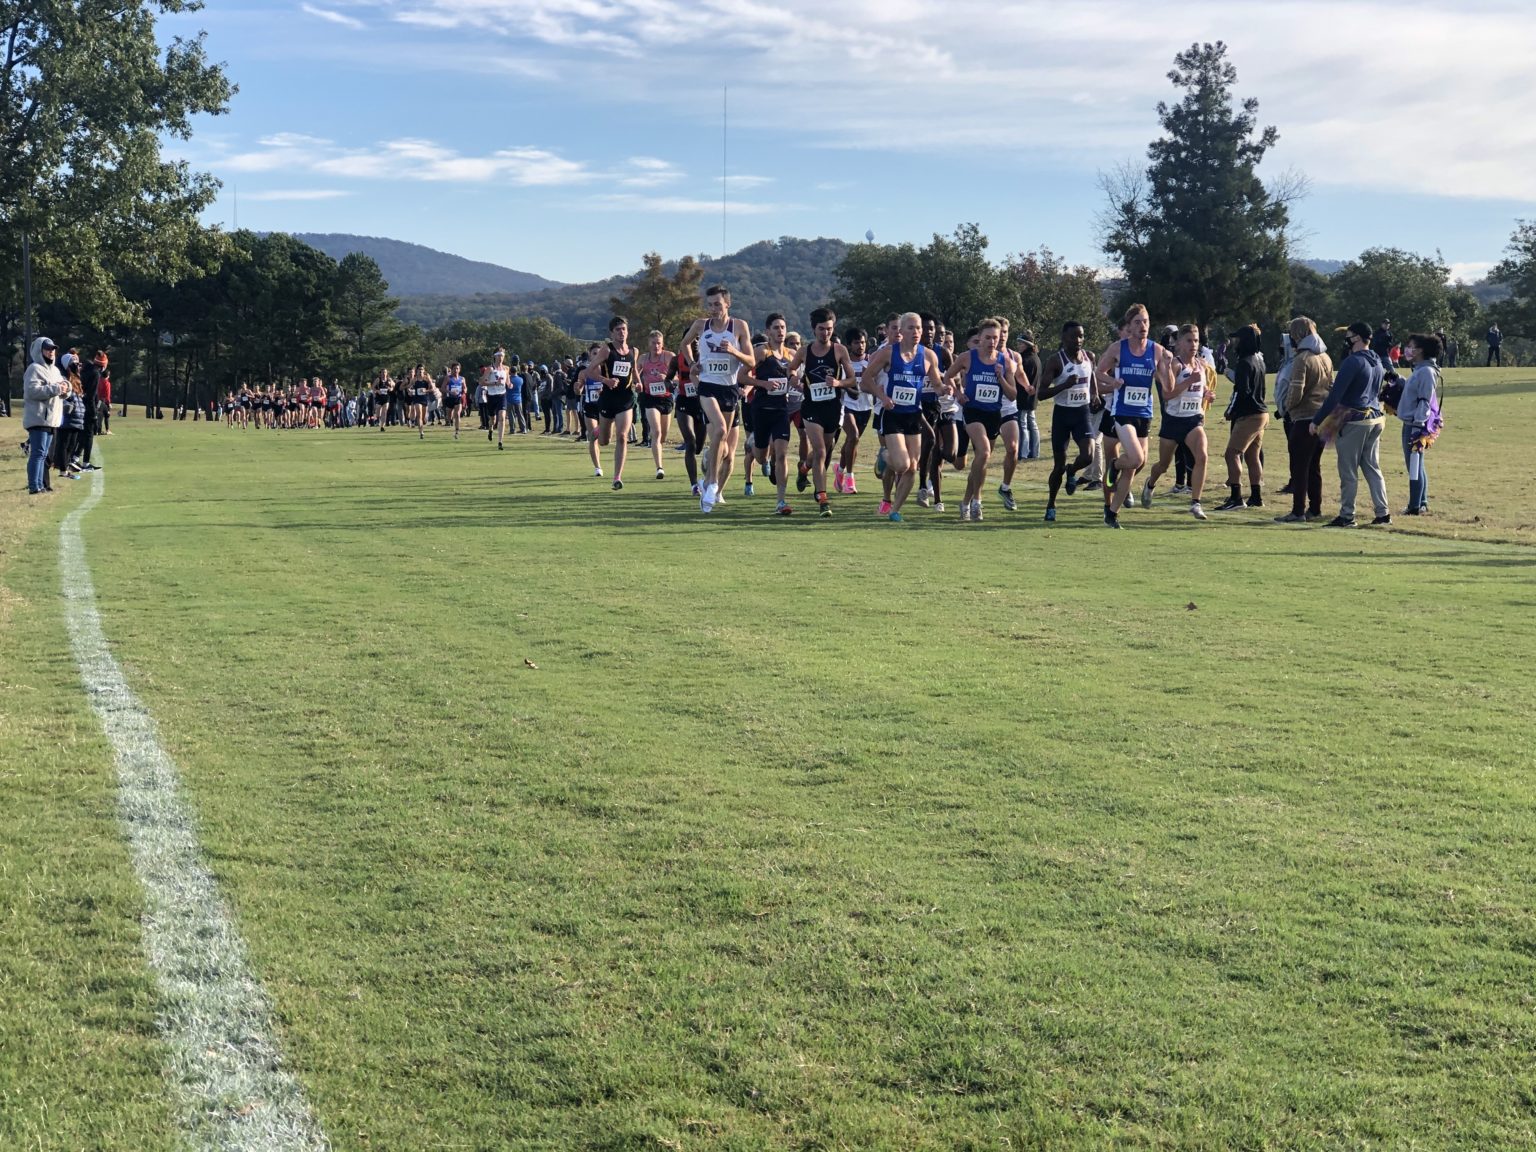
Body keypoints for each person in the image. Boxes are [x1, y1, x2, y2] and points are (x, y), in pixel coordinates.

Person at [859, 312, 947, 521]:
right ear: (901, 330)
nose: (916, 332)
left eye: (919, 328)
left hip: (913, 415)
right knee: (901, 465)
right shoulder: (888, 353)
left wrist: (947, 388)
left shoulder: (928, 356)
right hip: (892, 414)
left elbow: (936, 384)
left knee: (913, 467)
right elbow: (865, 380)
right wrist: (882, 395)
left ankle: (895, 510)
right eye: (911, 328)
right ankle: (884, 456)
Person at [680, 285, 755, 514]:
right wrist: (693, 363)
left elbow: (751, 361)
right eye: (710, 305)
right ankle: (712, 483)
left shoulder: (739, 326)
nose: (713, 309)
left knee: (722, 443)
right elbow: (683, 344)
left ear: (727, 304)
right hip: (707, 386)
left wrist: (734, 351)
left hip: (729, 388)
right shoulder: (701, 326)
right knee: (721, 429)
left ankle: (709, 483)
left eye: (718, 305)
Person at [1095, 304, 1171, 529]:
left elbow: (1167, 386)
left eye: (1146, 321)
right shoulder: (1118, 349)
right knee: (1135, 458)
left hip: (1144, 414)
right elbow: (1098, 373)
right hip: (1122, 413)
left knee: (1137, 465)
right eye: (1137, 322)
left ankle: (1112, 513)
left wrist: (1167, 366)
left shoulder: (1156, 350)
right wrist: (1113, 382)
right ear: (1128, 326)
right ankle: (1114, 466)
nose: (1143, 326)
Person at [1313, 321, 1391, 527]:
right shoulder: (1377, 360)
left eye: (1348, 335)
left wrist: (1317, 420)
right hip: (1376, 417)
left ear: (1356, 338)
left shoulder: (1352, 361)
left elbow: (1334, 396)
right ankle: (1383, 513)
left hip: (1354, 421)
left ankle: (1347, 515)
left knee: (1348, 471)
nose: (1346, 339)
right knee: (1372, 467)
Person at [945, 318, 1017, 521]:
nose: (992, 341)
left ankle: (965, 503)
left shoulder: (1005, 361)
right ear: (979, 338)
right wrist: (959, 394)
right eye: (988, 338)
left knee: (981, 460)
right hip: (973, 412)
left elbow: (1012, 395)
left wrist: (1001, 378)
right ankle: (977, 501)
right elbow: (947, 376)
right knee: (984, 452)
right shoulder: (968, 358)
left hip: (993, 414)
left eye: (995, 337)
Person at [789, 307, 857, 517]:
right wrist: (794, 379)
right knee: (820, 451)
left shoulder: (839, 350)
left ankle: (803, 470)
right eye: (821, 329)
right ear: (813, 329)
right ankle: (823, 499)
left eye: (828, 329)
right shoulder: (804, 351)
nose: (825, 333)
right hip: (811, 408)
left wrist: (838, 382)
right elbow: (791, 369)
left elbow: (852, 379)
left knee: (824, 449)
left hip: (832, 408)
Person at [1140, 323, 1211, 520]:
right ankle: (1150, 483)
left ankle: (1196, 503)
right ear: (1178, 343)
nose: (1193, 345)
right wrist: (1188, 381)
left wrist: (1207, 394)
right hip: (1173, 421)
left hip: (1193, 420)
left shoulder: (1201, 365)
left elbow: (1200, 388)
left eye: (1196, 341)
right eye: (1189, 340)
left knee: (1202, 456)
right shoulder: (1175, 365)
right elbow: (1167, 394)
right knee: (1163, 465)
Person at [1274, 317, 1333, 523]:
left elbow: (1296, 391)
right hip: (1322, 418)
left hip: (1303, 417)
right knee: (1314, 466)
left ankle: (1298, 511)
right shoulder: (1325, 357)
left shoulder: (1303, 358)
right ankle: (1315, 508)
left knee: (1299, 467)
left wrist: (1285, 408)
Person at [1037, 321, 1097, 522]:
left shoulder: (1089, 357)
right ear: (1064, 338)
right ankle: (1051, 504)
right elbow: (1041, 394)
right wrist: (1063, 385)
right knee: (1058, 467)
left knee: (1088, 456)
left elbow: (1092, 376)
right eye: (1074, 336)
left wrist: (1095, 395)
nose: (1078, 340)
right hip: (1062, 416)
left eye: (1081, 336)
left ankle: (1073, 471)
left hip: (1082, 414)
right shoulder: (1056, 361)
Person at [1214, 324, 1269, 511]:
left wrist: (1230, 410)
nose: (1235, 342)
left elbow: (1241, 391)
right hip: (1262, 413)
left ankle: (1236, 498)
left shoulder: (1245, 362)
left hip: (1249, 415)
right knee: (1253, 456)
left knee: (1232, 454)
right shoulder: (1259, 360)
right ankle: (1256, 496)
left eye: (1238, 339)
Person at [1395, 332, 1443, 515]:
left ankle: (1415, 505)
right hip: (1411, 422)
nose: (1408, 350)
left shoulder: (1426, 372)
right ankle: (1420, 502)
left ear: (1421, 350)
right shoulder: (1421, 370)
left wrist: (1417, 426)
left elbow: (1424, 400)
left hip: (1416, 425)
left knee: (1413, 465)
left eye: (1412, 346)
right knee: (1416, 464)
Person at [589, 316, 638, 490]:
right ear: (612, 333)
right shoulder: (607, 350)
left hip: (625, 398)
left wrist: (638, 384)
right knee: (604, 441)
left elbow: (634, 371)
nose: (621, 332)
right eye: (618, 330)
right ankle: (597, 431)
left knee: (623, 436)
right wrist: (605, 380)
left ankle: (617, 477)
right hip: (608, 398)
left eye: (624, 329)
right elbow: (590, 370)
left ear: (627, 331)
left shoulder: (633, 351)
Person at [23, 337, 65, 494]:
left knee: (45, 454)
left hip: (52, 420)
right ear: (39, 350)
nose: (51, 352)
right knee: (38, 453)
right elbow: (32, 391)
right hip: (38, 418)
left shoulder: (55, 370)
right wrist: (55, 388)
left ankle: (41, 484)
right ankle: (34, 486)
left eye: (53, 349)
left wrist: (66, 388)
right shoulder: (34, 368)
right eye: (47, 349)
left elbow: (62, 386)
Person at [835, 327, 872, 495]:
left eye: (863, 342)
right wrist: (848, 387)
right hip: (847, 405)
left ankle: (840, 469)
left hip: (866, 407)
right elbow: (841, 385)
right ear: (849, 345)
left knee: (852, 442)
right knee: (853, 436)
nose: (860, 346)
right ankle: (850, 479)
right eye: (857, 342)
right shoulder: (844, 363)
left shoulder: (871, 362)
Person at [636, 330, 675, 480]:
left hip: (665, 398)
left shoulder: (668, 356)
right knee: (656, 432)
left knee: (663, 436)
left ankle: (658, 451)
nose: (656, 346)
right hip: (650, 398)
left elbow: (678, 377)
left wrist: (667, 378)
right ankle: (659, 467)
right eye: (653, 343)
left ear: (662, 343)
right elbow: (634, 372)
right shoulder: (644, 359)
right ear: (649, 344)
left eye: (659, 343)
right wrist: (638, 383)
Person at [481, 349, 509, 446]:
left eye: (502, 355)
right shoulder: (490, 369)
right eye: (499, 355)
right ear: (495, 356)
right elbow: (482, 382)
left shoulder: (506, 369)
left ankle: (500, 441)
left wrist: (510, 385)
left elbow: (507, 382)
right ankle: (490, 429)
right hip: (492, 396)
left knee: (502, 417)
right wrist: (494, 383)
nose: (501, 357)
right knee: (492, 419)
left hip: (502, 395)